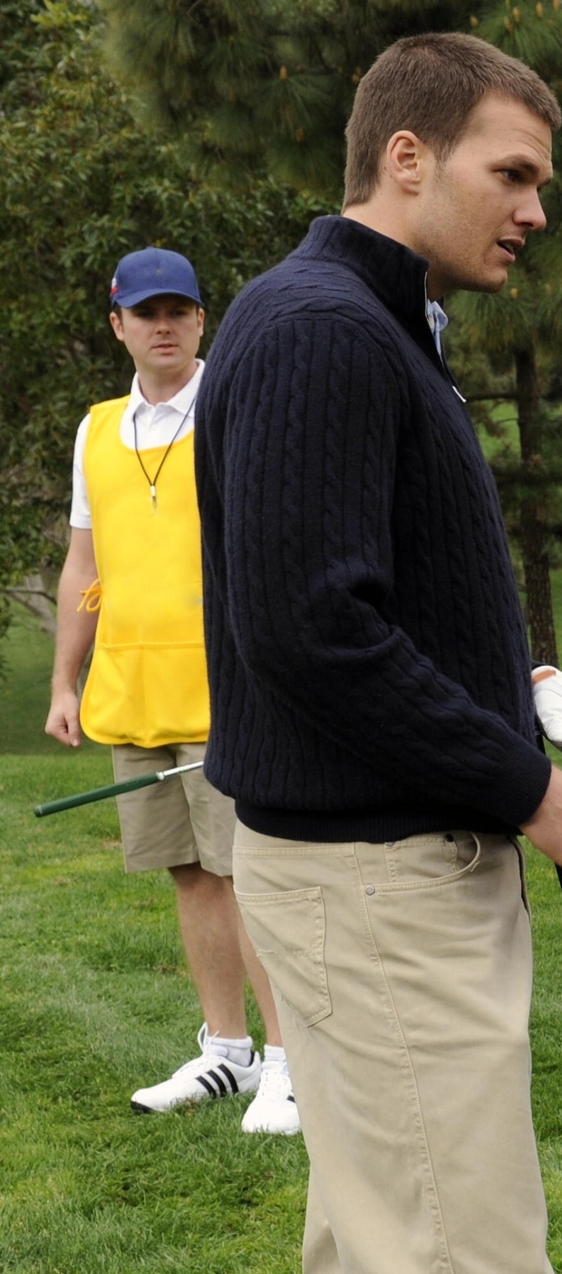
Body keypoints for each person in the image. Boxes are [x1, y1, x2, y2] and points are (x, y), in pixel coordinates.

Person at [194, 34, 562, 1274]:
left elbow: (361, 592)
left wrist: (512, 680)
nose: (536, 210)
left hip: (362, 882)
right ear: (407, 156)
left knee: (379, 1269)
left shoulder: (361, 320)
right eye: (514, 174)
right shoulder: (324, 328)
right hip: (376, 887)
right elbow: (311, 631)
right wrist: (527, 787)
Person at [44, 248, 298, 1135]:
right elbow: (87, 560)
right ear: (117, 324)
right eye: (146, 312)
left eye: (179, 311)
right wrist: (64, 680)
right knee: (191, 876)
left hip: (226, 687)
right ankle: (225, 1052)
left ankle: (287, 1064)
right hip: (134, 689)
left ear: (201, 320)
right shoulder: (96, 430)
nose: (164, 325)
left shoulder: (234, 407)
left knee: (251, 873)